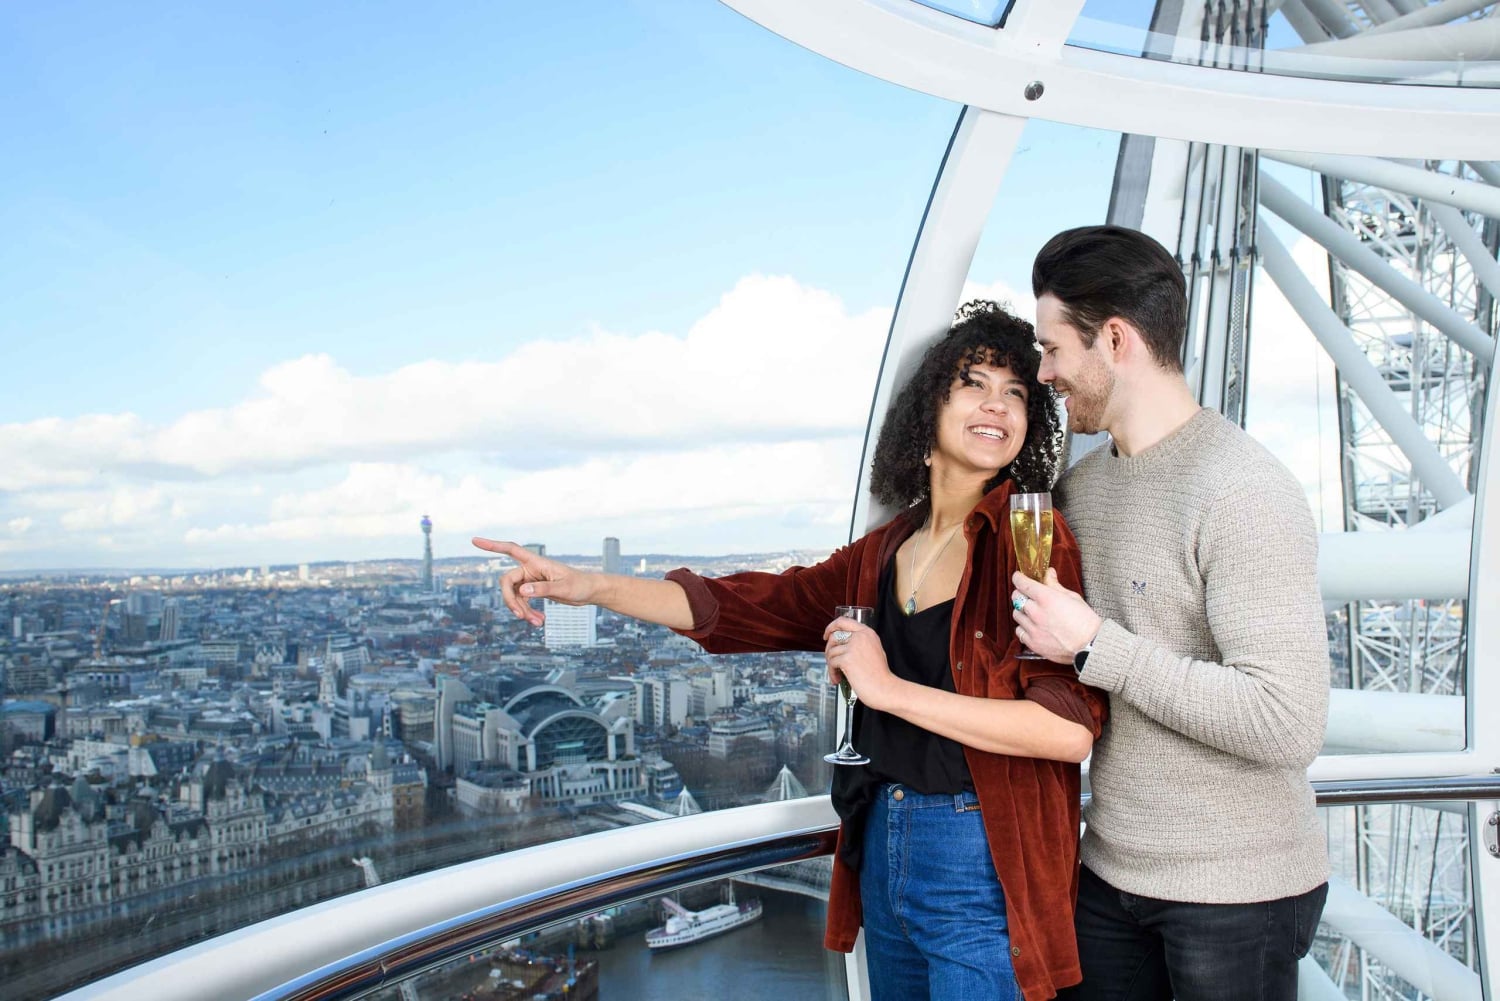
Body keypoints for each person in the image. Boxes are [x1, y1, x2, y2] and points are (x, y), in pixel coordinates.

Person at [474, 301, 1106, 1001]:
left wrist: (887, 687)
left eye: (1016, 392)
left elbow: (1067, 727)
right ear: (929, 410)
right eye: (975, 384)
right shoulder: (882, 553)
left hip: (981, 854)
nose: (998, 405)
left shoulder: (1032, 542)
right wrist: (586, 585)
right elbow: (743, 607)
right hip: (881, 843)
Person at [1010, 225, 1331, 1001]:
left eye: (1054, 349)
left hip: (1237, 894)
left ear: (1114, 339)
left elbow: (1286, 719)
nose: (1044, 372)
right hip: (1109, 873)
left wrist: (1096, 644)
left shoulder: (1242, 489)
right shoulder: (1083, 492)